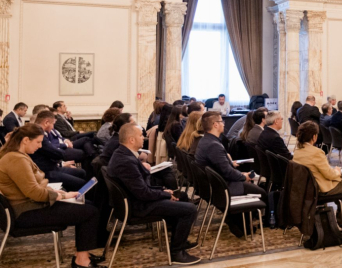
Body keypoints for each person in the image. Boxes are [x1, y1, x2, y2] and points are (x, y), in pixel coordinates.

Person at [0, 124, 104, 268]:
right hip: (25, 212)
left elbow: (33, 188)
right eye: (38, 142)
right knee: (90, 212)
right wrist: (63, 195)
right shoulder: (16, 159)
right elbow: (34, 192)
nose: (40, 146)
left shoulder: (16, 155)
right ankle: (82, 260)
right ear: (25, 140)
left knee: (88, 205)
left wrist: (59, 193)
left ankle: (82, 254)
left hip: (28, 206)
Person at [108, 123, 200, 265]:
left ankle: (180, 239)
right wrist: (164, 194)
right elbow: (143, 194)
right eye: (140, 135)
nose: (143, 137)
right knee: (190, 210)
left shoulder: (123, 154)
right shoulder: (125, 161)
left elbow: (141, 188)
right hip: (139, 206)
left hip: (139, 199)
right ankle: (176, 252)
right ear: (131, 140)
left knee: (182, 196)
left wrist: (163, 191)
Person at [195, 111, 268, 237]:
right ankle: (239, 222)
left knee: (252, 185)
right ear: (215, 125)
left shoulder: (206, 140)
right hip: (222, 187)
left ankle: (240, 223)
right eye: (221, 121)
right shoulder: (213, 145)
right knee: (261, 193)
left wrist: (235, 168)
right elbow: (227, 172)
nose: (223, 124)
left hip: (215, 184)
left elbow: (223, 167)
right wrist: (243, 176)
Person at [292, 121, 342, 225]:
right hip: (321, 189)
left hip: (306, 188)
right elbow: (330, 175)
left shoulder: (297, 151)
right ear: (314, 137)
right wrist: (337, 171)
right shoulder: (316, 152)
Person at [31, 110, 87, 191]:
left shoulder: (40, 133)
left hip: (52, 166)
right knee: (81, 183)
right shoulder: (38, 135)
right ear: (46, 122)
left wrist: (61, 163)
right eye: (53, 124)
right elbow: (55, 152)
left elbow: (52, 151)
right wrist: (62, 156)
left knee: (81, 172)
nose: (53, 127)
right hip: (46, 172)